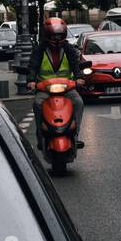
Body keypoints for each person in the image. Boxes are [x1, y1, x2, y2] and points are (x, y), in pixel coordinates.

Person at [28, 18, 87, 150]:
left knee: (78, 102)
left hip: (67, 88)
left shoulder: (69, 49)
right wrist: (31, 80)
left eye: (59, 35)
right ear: (46, 35)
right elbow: (33, 65)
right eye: (53, 35)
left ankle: (75, 135)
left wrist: (79, 77)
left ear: (64, 35)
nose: (56, 38)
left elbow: (75, 64)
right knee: (37, 104)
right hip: (45, 88)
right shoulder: (39, 49)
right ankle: (41, 136)